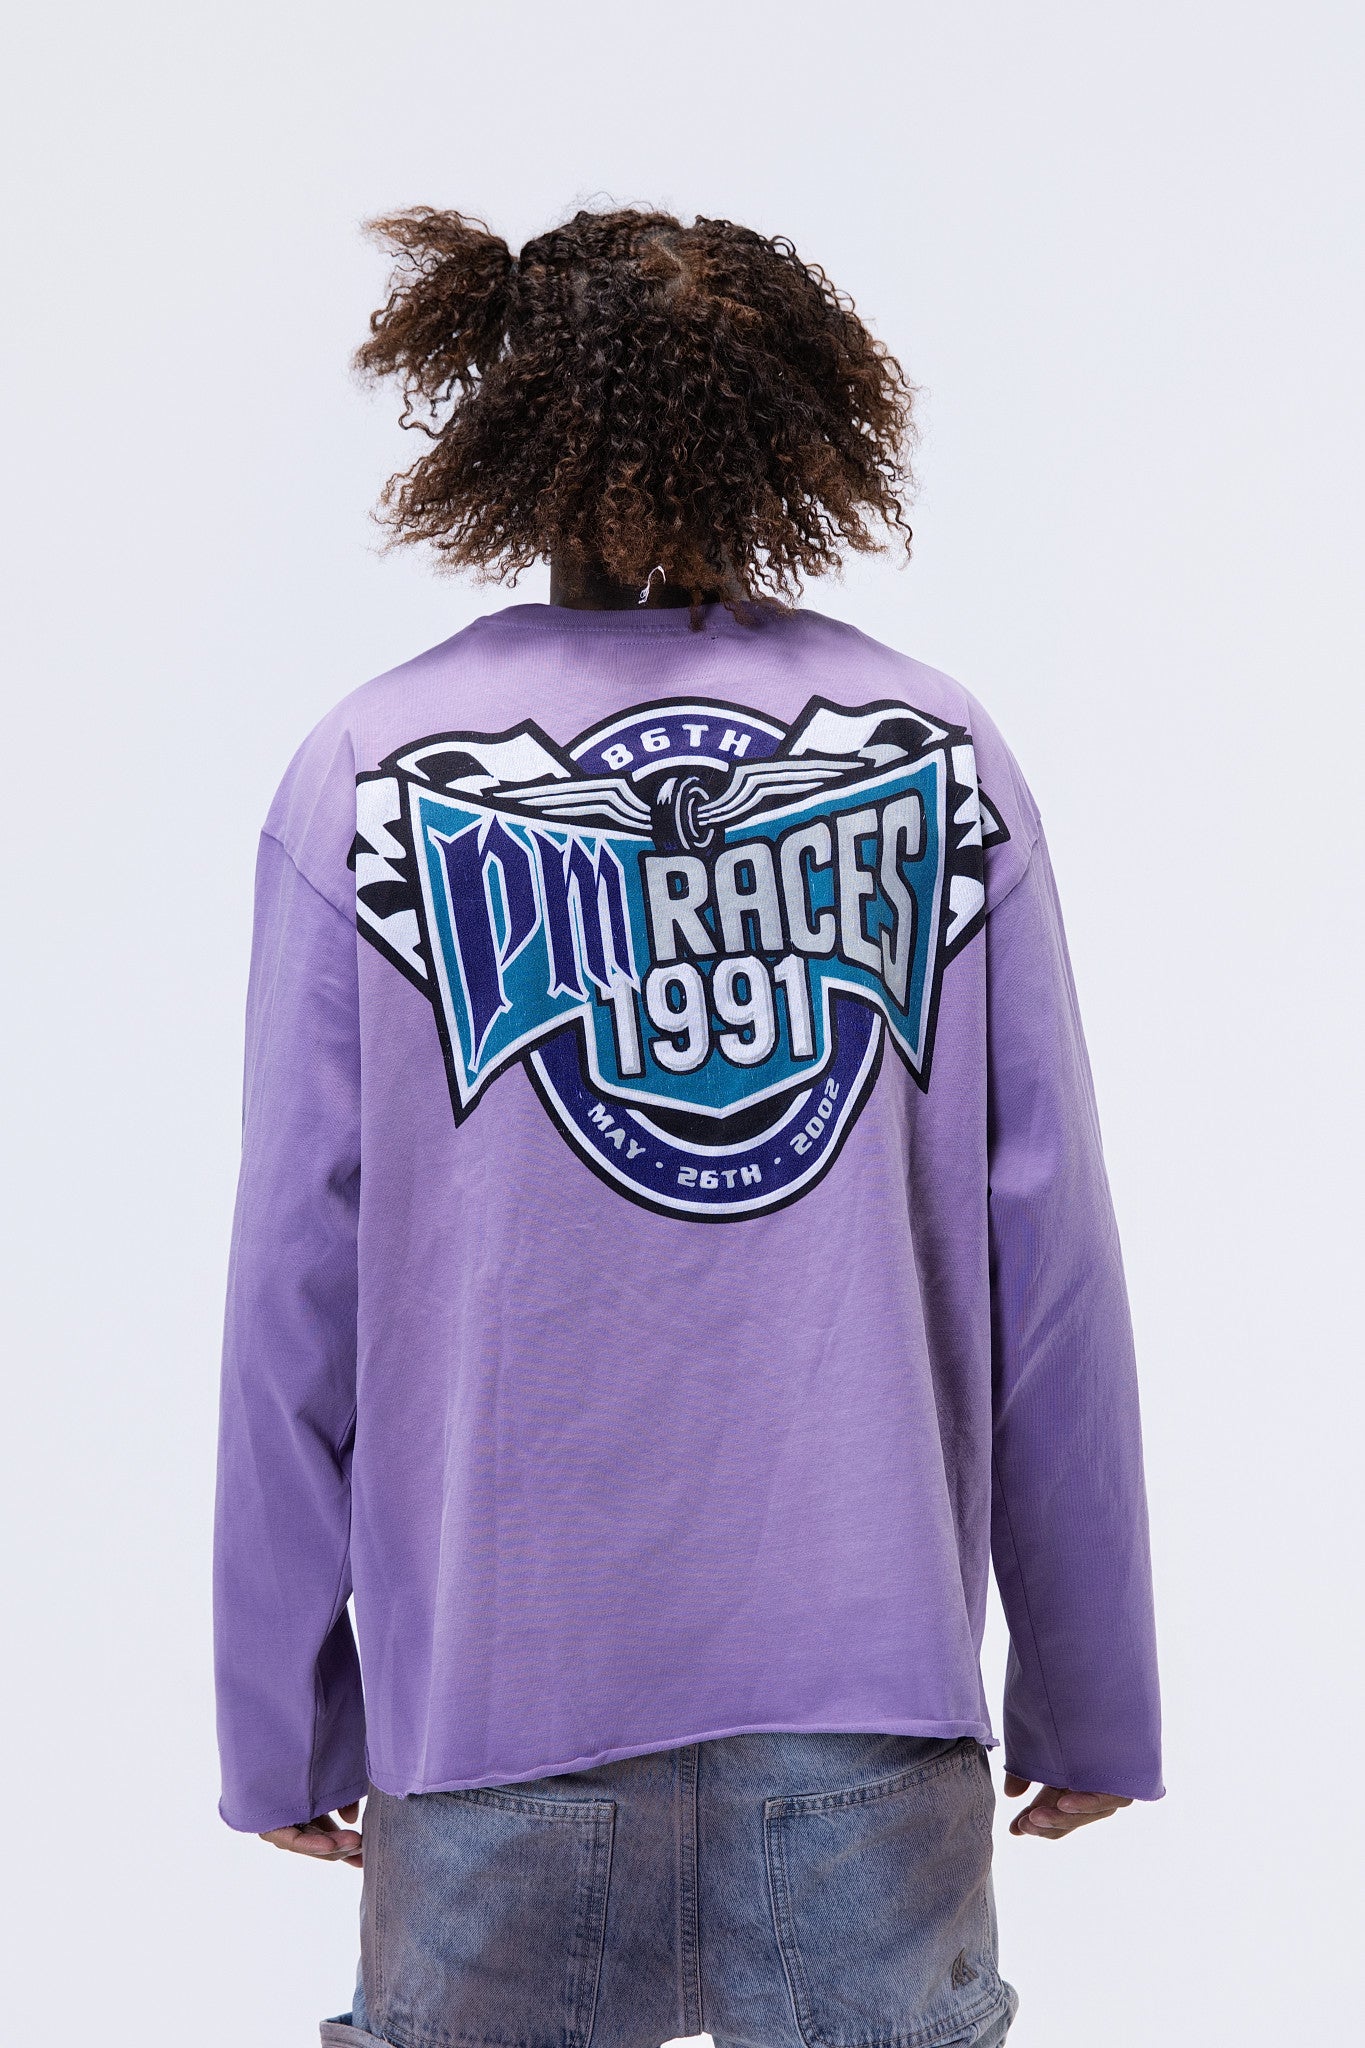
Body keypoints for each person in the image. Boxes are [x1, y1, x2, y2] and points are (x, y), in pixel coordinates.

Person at [213, 206, 1162, 2048]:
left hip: (492, 1709)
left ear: (505, 424)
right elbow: (1047, 1257)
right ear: (795, 427)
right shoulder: (932, 755)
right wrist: (1093, 1683)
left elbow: (290, 1284)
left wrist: (278, 1712)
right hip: (866, 1694)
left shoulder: (374, 775)